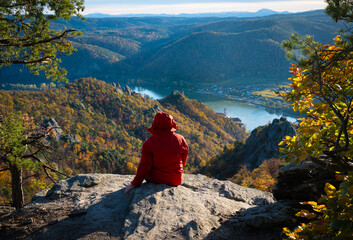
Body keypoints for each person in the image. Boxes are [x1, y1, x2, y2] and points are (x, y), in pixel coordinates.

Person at [124, 112, 188, 194]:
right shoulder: (180, 139)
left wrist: (135, 184)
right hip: (176, 180)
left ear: (156, 124)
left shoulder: (149, 143)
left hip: (156, 179)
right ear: (171, 123)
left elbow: (144, 166)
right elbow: (184, 159)